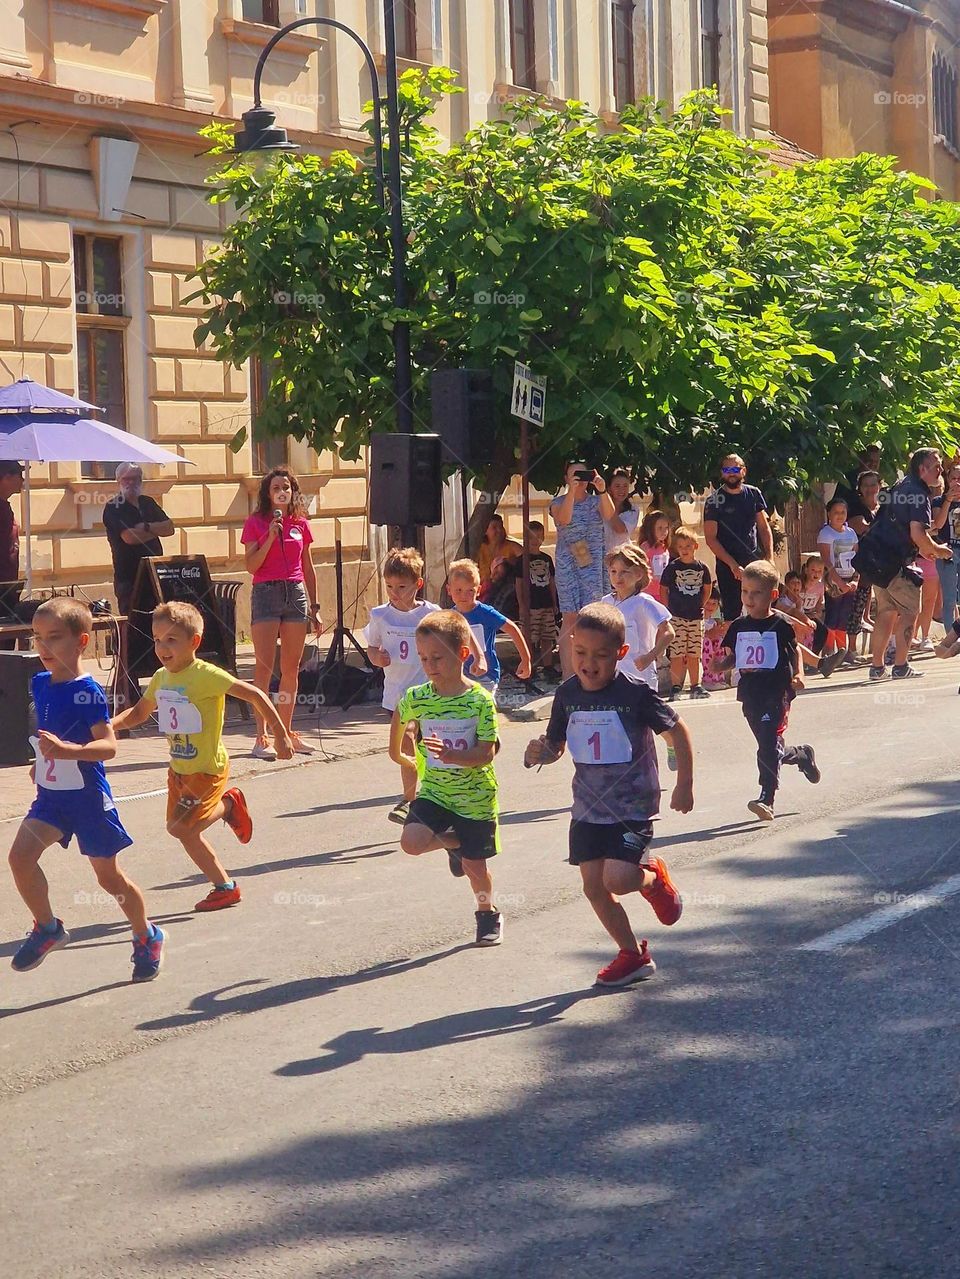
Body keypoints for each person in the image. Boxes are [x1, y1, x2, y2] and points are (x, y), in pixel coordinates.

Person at [523, 602, 692, 987]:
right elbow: (556, 744)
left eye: (600, 656)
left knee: (618, 879)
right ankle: (632, 955)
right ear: (570, 646)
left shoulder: (635, 694)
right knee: (594, 887)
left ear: (620, 653)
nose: (589, 663)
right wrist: (540, 752)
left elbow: (678, 732)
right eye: (580, 653)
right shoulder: (567, 694)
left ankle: (653, 880)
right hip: (587, 808)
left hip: (632, 806)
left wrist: (684, 784)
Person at [7, 597, 164, 981]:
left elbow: (108, 746)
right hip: (51, 798)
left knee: (109, 879)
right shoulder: (40, 683)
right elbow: (52, 736)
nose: (42, 648)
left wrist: (68, 752)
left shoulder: (87, 691)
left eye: (54, 638)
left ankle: (146, 934)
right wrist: (44, 764)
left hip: (88, 799)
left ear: (81, 642)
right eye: (37, 638)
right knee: (19, 858)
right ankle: (47, 928)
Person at [113, 601, 293, 911]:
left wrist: (280, 735)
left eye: (171, 640)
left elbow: (255, 694)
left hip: (207, 769)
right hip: (180, 769)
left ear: (194, 642)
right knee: (183, 831)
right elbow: (139, 713)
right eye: (157, 640)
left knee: (182, 828)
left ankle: (228, 804)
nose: (162, 648)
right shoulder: (161, 677)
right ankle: (225, 887)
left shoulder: (206, 674)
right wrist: (110, 726)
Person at [393, 610, 504, 947]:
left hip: (475, 797)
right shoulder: (419, 697)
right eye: (424, 657)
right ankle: (455, 842)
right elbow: (401, 714)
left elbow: (487, 752)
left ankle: (488, 914)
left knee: (475, 868)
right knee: (410, 842)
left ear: (463, 655)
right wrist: (397, 752)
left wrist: (453, 756)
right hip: (437, 792)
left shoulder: (480, 701)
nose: (430, 665)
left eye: (438, 657)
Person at [711, 560, 820, 822]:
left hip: (777, 692)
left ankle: (766, 797)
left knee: (769, 744)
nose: (749, 598)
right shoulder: (739, 626)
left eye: (756, 592)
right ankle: (802, 754)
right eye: (745, 591)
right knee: (767, 745)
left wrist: (799, 675)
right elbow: (734, 657)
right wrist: (720, 664)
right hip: (750, 693)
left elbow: (794, 653)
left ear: (772, 595)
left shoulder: (781, 625)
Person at [854, 448, 959, 681]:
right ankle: (901, 665)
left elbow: (910, 528)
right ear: (922, 469)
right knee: (910, 612)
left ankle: (877, 667)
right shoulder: (919, 493)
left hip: (878, 560)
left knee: (885, 612)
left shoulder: (901, 485)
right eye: (936, 466)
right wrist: (937, 550)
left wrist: (927, 547)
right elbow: (918, 532)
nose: (941, 470)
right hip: (898, 563)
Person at [241, 466, 322, 759]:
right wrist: (269, 538)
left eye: (286, 487)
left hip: (295, 592)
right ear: (267, 493)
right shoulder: (256, 523)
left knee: (291, 667)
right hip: (266, 592)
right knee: (263, 668)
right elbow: (251, 565)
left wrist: (315, 607)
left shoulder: (300, 523)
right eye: (276, 487)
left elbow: (308, 567)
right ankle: (261, 736)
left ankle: (285, 733)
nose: (282, 492)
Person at [366, 547, 440, 827]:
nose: (394, 592)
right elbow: (372, 647)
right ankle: (410, 800)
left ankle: (427, 796)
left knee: (427, 745)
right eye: (389, 586)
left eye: (401, 587)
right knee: (408, 740)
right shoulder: (381, 615)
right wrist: (377, 657)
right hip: (397, 694)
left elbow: (448, 644)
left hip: (429, 691)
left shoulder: (431, 614)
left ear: (418, 584)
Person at [550, 463, 616, 678]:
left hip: (593, 563)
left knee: (594, 616)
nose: (579, 478)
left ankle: (594, 670)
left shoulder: (597, 501)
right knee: (570, 617)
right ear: (566, 477)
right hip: (569, 564)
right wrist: (571, 491)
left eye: (583, 474)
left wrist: (602, 489)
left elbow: (610, 515)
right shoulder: (557, 502)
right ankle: (569, 676)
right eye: (574, 474)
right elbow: (564, 519)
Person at [446, 558, 532, 699]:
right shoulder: (449, 616)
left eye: (470, 591)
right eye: (459, 590)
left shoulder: (486, 613)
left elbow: (512, 629)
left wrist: (525, 659)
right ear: (449, 590)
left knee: (484, 711)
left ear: (478, 590)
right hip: (460, 675)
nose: (464, 595)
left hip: (486, 675)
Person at [703, 453, 773, 622]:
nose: (731, 473)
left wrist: (770, 558)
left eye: (735, 469)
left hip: (754, 563)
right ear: (722, 474)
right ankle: (732, 649)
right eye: (727, 469)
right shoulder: (714, 501)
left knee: (761, 609)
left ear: (743, 471)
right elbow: (711, 538)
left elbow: (764, 527)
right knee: (731, 615)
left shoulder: (754, 494)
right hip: (728, 567)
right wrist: (733, 565)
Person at [101, 463, 174, 614]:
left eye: (135, 479)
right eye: (126, 479)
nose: (131, 483)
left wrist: (146, 527)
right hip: (129, 578)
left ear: (141, 480)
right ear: (118, 481)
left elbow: (170, 528)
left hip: (154, 574)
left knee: (158, 620)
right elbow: (130, 537)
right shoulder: (114, 507)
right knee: (132, 623)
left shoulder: (148, 503)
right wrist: (156, 530)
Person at [602, 545, 674, 692]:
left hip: (641, 676)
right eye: (613, 572)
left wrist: (651, 656)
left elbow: (668, 632)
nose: (617, 577)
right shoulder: (605, 602)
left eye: (624, 572)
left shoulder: (644, 602)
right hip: (613, 676)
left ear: (638, 574)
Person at [661, 529, 713, 699]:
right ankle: (676, 686)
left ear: (695, 546)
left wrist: (700, 605)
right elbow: (664, 589)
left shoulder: (702, 568)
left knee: (694, 653)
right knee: (677, 652)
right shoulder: (672, 568)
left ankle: (695, 685)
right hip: (677, 617)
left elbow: (707, 589)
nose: (684, 549)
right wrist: (668, 609)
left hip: (696, 617)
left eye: (688, 546)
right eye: (681, 546)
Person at [816, 497, 860, 665]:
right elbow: (827, 561)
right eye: (836, 512)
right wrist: (839, 583)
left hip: (850, 579)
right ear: (829, 514)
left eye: (843, 512)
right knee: (833, 616)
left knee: (844, 617)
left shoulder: (851, 533)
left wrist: (855, 580)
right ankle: (829, 651)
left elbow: (857, 557)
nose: (840, 516)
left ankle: (843, 652)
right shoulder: (826, 533)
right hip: (833, 580)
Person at [846, 470, 882, 641]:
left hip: (877, 560)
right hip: (856, 562)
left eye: (873, 484)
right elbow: (862, 527)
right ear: (859, 488)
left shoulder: (883, 506)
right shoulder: (855, 507)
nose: (870, 489)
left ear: (880, 486)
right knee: (856, 603)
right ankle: (851, 649)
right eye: (865, 485)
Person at [521, 520, 559, 679]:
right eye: (532, 537)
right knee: (530, 637)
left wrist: (555, 602)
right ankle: (530, 666)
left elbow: (551, 580)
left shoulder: (547, 559)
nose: (535, 540)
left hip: (546, 604)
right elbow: (519, 583)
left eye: (539, 536)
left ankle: (548, 666)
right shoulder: (522, 560)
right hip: (531, 605)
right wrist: (522, 604)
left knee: (548, 636)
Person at [932, 461, 960, 630]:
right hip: (946, 552)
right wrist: (948, 500)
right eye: (954, 478)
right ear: (948, 480)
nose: (957, 482)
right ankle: (951, 636)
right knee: (949, 597)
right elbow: (938, 524)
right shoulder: (938, 501)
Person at [0, 460, 23, 649]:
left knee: (8, 649)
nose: (22, 480)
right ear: (6, 477)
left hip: (8, 588)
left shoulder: (5, 506)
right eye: (19, 475)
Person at [637, 510, 672, 604]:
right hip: (648, 592)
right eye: (660, 528)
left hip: (663, 591)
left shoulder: (665, 547)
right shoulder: (645, 547)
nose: (664, 531)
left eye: (666, 528)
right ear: (650, 529)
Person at [477, 514, 523, 586]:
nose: (499, 530)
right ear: (485, 531)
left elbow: (527, 559)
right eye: (494, 527)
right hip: (483, 592)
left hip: (507, 591)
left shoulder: (512, 546)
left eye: (501, 527)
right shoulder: (479, 549)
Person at [603, 469, 640, 554]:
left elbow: (620, 529)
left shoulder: (633, 510)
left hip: (622, 557)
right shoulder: (598, 507)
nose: (622, 490)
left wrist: (607, 507)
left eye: (625, 486)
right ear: (609, 488)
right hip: (600, 556)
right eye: (617, 486)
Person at [701, 592, 729, 690]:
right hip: (701, 648)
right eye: (708, 603)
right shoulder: (699, 621)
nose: (710, 606)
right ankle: (708, 678)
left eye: (714, 604)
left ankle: (718, 677)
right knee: (707, 643)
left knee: (720, 642)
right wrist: (709, 635)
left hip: (713, 647)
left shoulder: (713, 621)